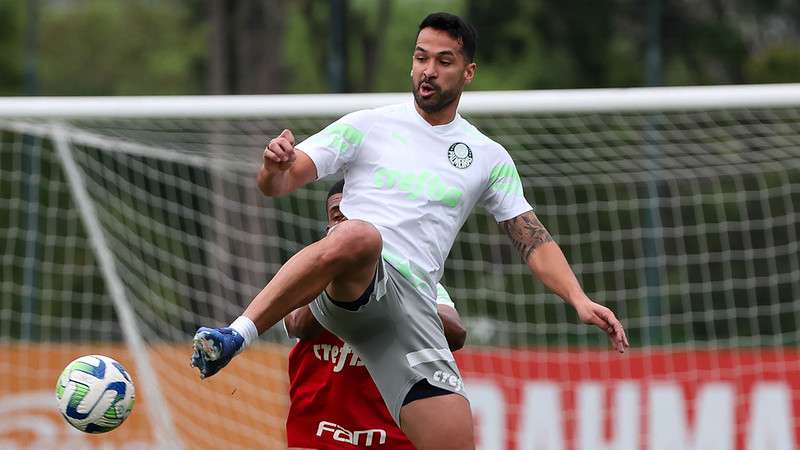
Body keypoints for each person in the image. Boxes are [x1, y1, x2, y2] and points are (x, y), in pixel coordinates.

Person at [191, 12, 629, 450]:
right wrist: (273, 167)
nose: (428, 71)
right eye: (421, 58)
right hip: (358, 283)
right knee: (359, 236)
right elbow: (280, 183)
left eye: (444, 61)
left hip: (414, 310)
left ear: (468, 72)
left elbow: (530, 235)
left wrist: (578, 298)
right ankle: (237, 334)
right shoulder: (366, 125)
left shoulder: (488, 156)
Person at [285, 180, 467, 450]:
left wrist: (402, 305)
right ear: (328, 226)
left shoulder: (410, 277)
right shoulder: (308, 273)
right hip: (317, 435)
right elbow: (297, 324)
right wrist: (334, 274)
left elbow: (457, 333)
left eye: (355, 215)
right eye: (338, 216)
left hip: (390, 436)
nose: (346, 223)